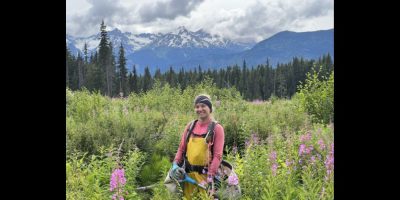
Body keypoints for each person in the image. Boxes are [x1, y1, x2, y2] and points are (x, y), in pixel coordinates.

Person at [171, 94, 225, 199]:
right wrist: (175, 165)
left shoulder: (217, 128)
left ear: (210, 108)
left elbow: (218, 156)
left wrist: (210, 177)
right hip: (188, 178)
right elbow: (181, 149)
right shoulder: (190, 126)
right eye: (197, 106)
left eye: (203, 106)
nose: (200, 109)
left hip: (206, 178)